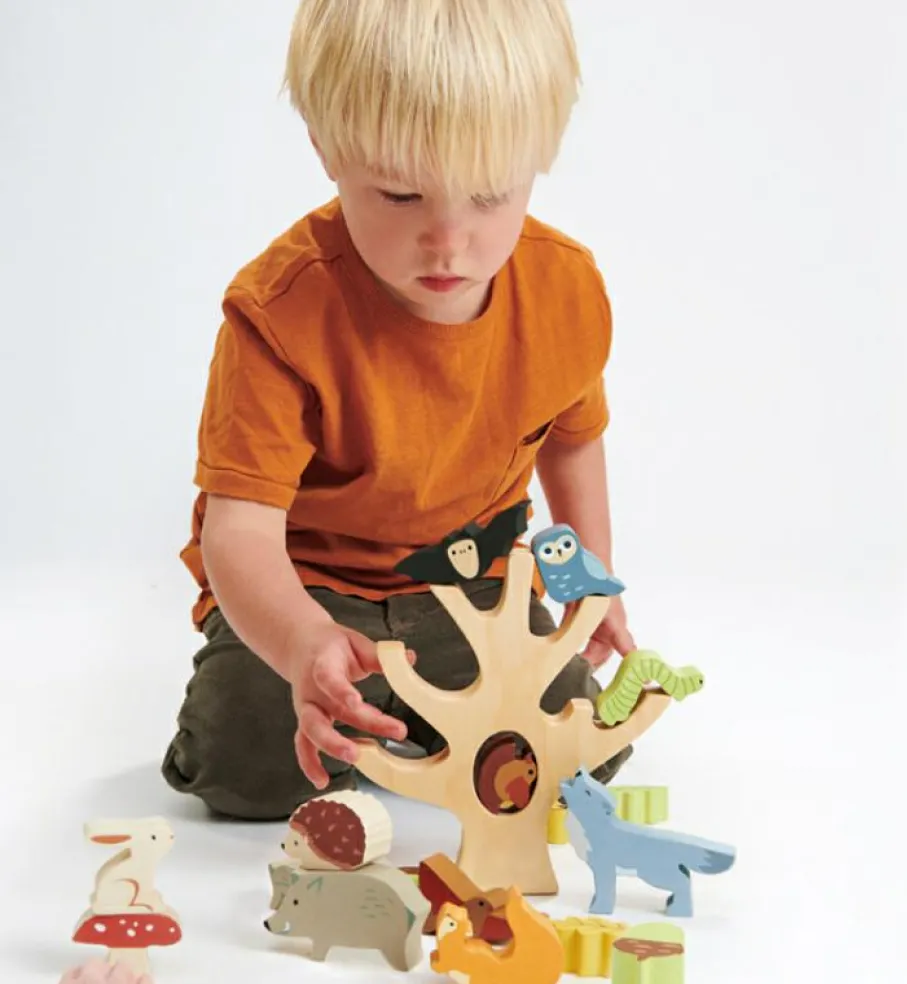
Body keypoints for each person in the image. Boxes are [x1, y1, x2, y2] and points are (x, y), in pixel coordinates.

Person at [161, 0, 637, 822]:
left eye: (489, 194)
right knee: (244, 764)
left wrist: (591, 585)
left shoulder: (566, 290)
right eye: (400, 194)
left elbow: (572, 440)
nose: (447, 241)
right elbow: (238, 533)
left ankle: (413, 721)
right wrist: (301, 640)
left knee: (582, 740)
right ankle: (372, 712)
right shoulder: (278, 313)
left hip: (470, 589)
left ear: (541, 155)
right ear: (327, 149)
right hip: (309, 590)